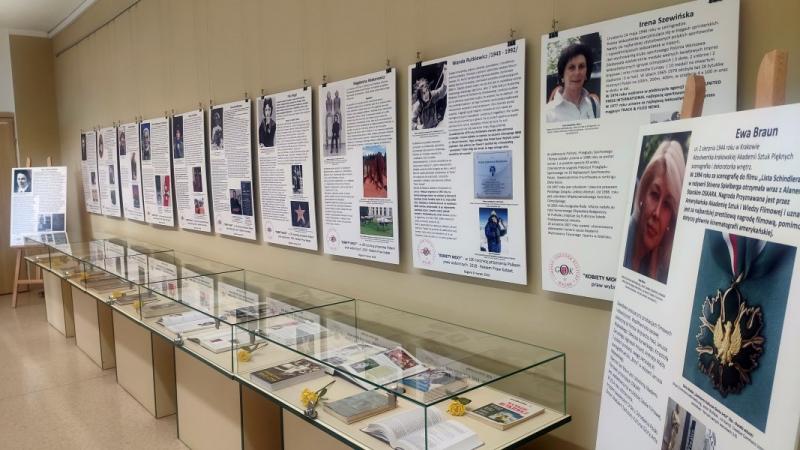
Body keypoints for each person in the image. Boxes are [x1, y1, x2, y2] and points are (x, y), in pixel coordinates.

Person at [623, 140, 686, 283]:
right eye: (654, 195)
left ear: (672, 218)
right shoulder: (623, 239)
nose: (657, 213)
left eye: (667, 204)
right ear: (643, 194)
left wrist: (652, 275)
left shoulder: (661, 268)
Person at [546, 42, 600, 123]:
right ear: (562, 75)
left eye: (581, 66)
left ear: (586, 73)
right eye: (571, 67)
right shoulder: (548, 113)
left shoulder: (594, 104)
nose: (577, 72)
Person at [411, 65, 447, 129]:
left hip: (436, 126)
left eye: (427, 91)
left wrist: (445, 75)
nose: (426, 95)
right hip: (426, 130)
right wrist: (417, 127)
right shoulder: (418, 105)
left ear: (428, 89)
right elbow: (411, 122)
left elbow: (442, 91)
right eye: (423, 93)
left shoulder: (432, 95)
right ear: (419, 95)